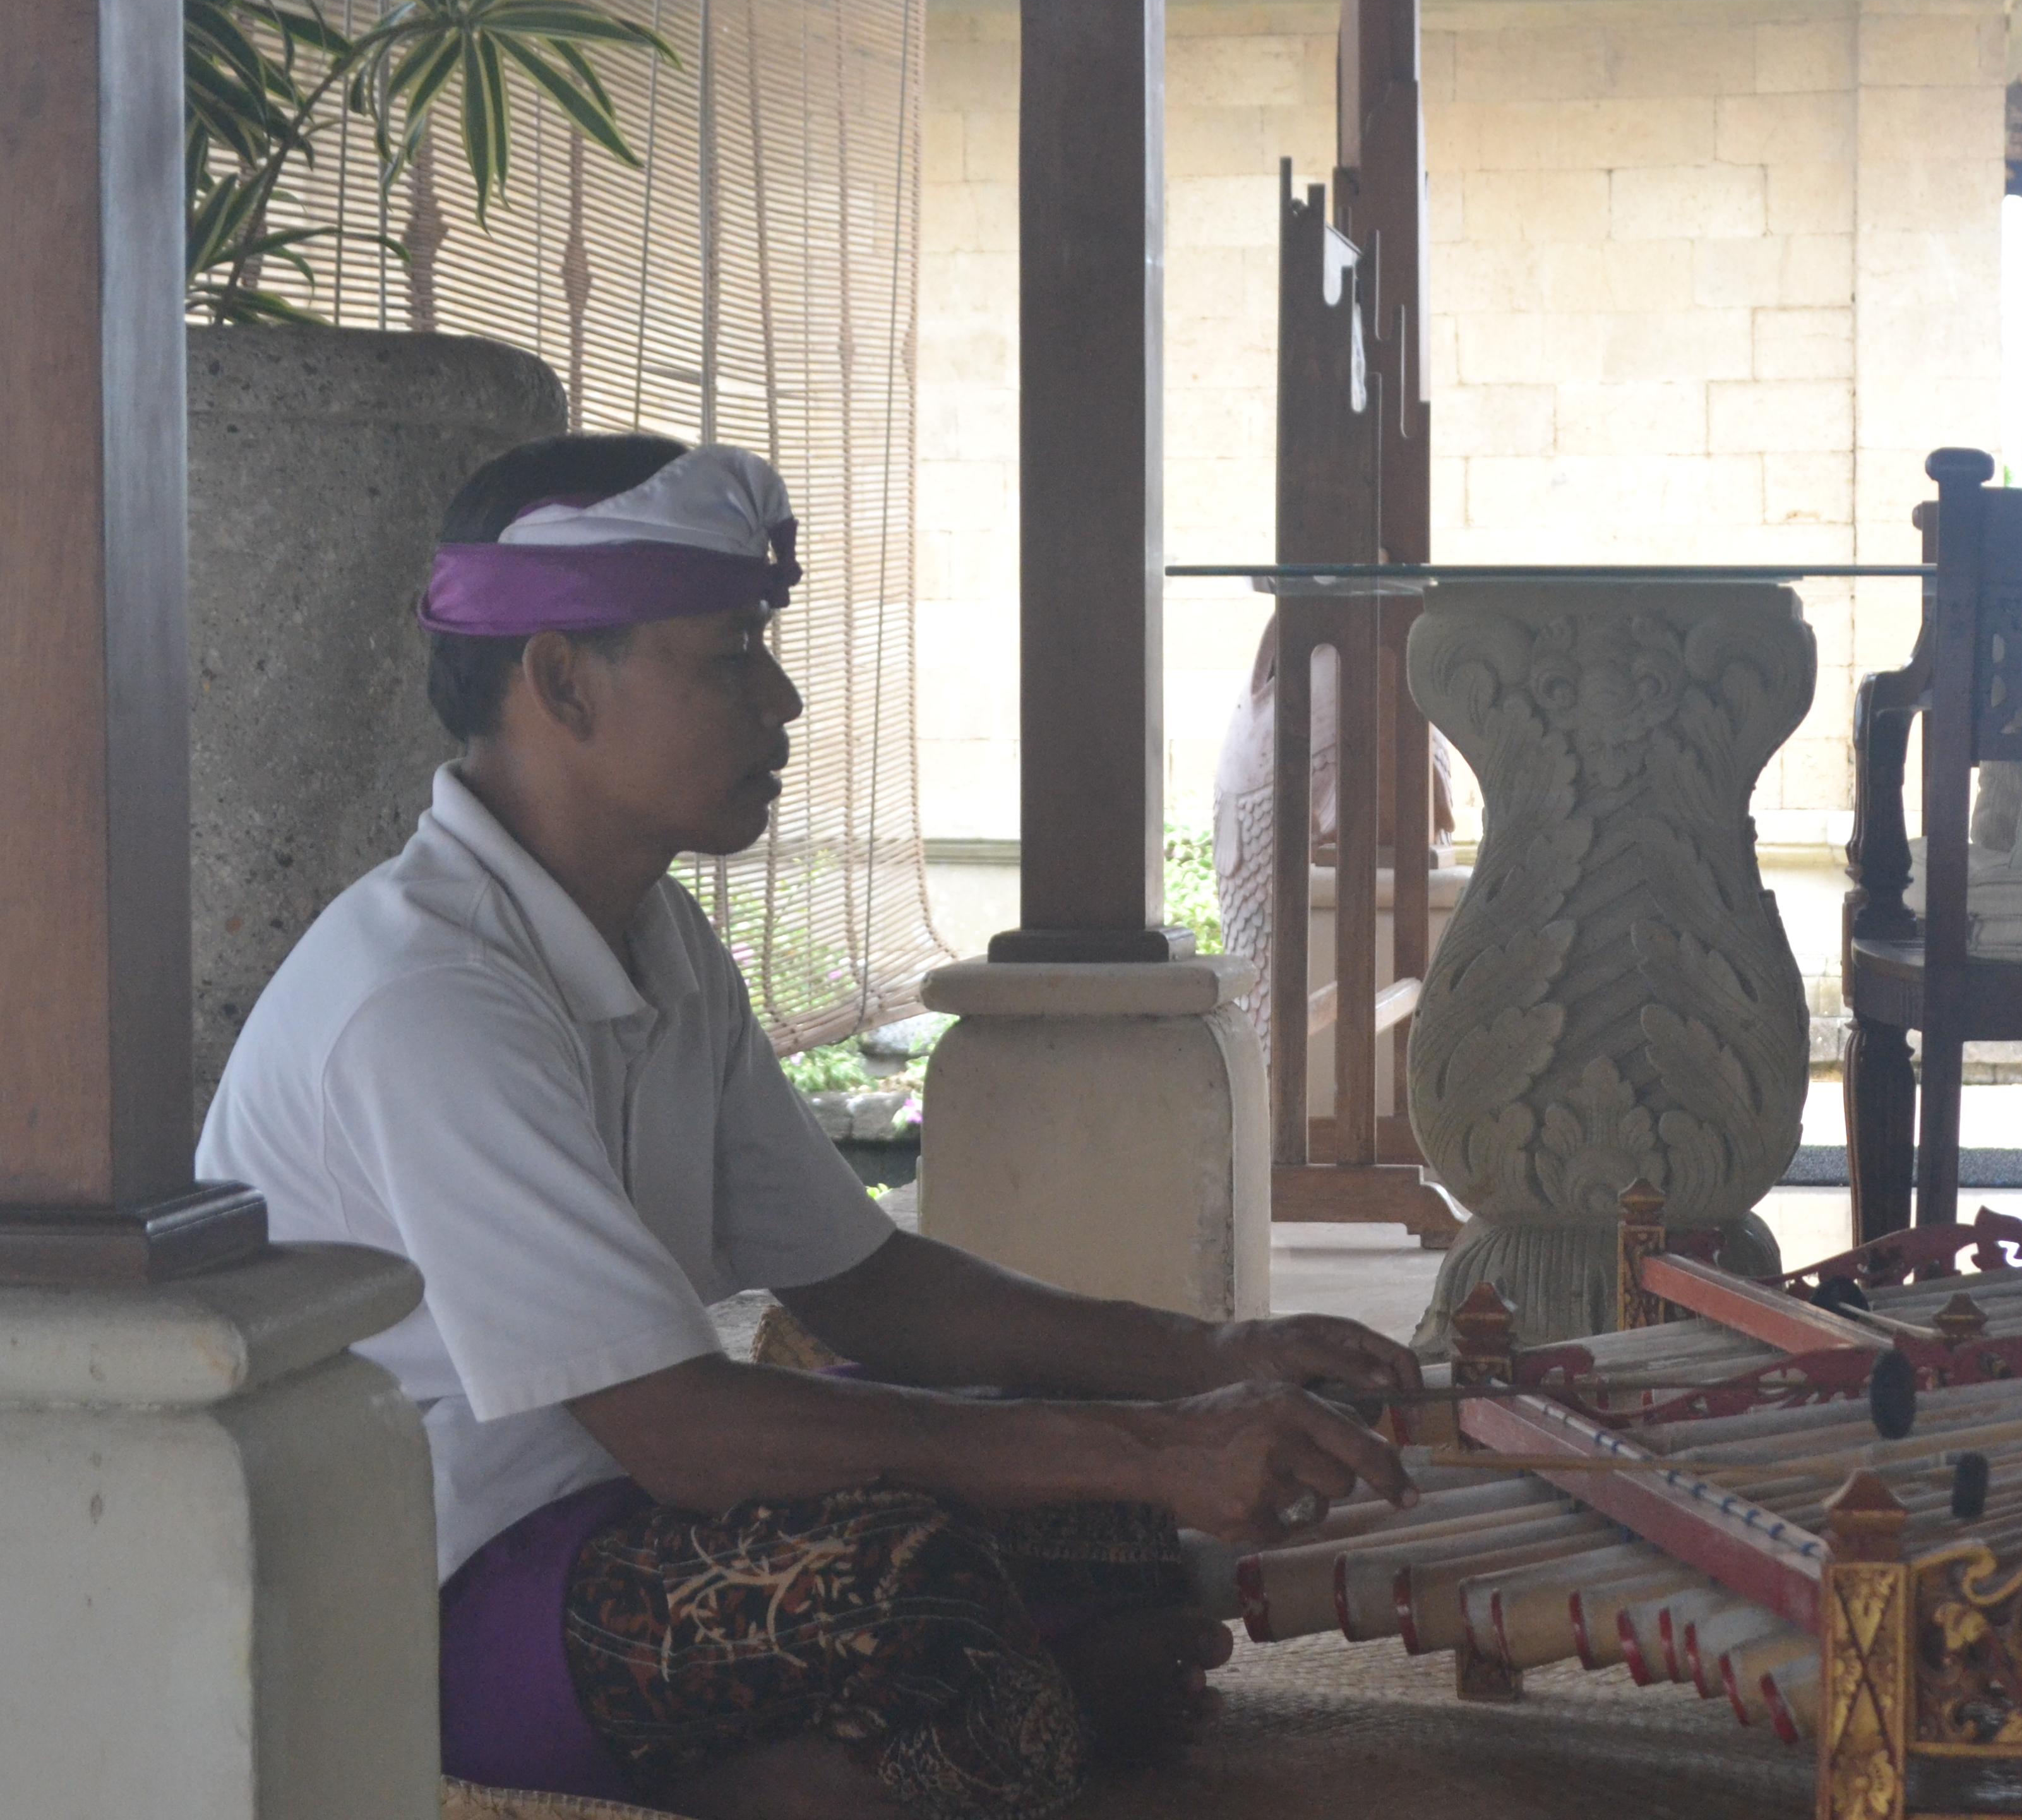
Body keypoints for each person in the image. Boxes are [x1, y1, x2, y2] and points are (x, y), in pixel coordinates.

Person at [200, 432, 1420, 1820]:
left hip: (625, 1507)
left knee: (1103, 1523)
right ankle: (886, 1758)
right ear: (557, 680)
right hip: (423, 1580)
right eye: (728, 656)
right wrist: (1157, 1443)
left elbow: (868, 1286)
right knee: (910, 1583)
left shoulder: (647, 931)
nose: (780, 700)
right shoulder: (423, 994)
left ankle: (913, 1748)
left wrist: (1207, 1361)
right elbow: (683, 1430)